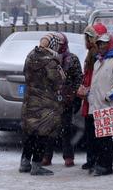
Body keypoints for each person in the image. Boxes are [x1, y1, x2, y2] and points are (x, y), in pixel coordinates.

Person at [79, 30, 113, 176]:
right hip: (97, 105)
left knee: (105, 138)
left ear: (110, 44)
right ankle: (100, 164)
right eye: (99, 44)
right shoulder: (98, 61)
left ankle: (106, 166)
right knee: (99, 138)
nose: (101, 46)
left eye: (104, 44)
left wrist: (110, 96)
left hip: (108, 106)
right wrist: (90, 95)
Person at [19, 33, 66, 176]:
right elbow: (58, 81)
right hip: (46, 102)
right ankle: (37, 165)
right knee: (42, 133)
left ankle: (25, 162)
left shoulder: (30, 56)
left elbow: (26, 74)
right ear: (53, 45)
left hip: (30, 100)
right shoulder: (51, 61)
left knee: (30, 133)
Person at [42, 33, 82, 167]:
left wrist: (72, 93)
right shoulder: (48, 58)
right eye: (55, 44)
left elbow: (78, 79)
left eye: (60, 44)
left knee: (66, 129)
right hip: (50, 100)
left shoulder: (72, 59)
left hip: (67, 101)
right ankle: (46, 156)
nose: (57, 46)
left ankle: (68, 157)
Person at [77, 23, 109, 170]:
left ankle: (98, 160)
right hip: (90, 96)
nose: (86, 40)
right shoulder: (91, 53)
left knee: (98, 133)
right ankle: (92, 159)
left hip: (97, 97)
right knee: (91, 131)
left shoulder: (99, 55)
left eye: (89, 37)